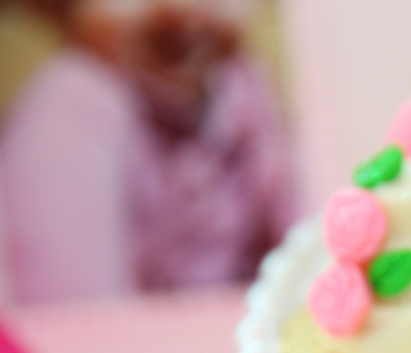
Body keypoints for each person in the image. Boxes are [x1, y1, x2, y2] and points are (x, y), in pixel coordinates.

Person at [0, 0, 296, 303]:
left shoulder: (240, 88)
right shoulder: (74, 109)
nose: (179, 10)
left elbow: (306, 236)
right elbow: (77, 313)